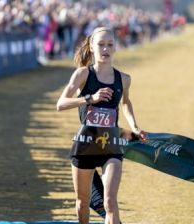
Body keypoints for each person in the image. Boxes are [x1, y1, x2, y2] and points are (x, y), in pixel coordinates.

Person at [56, 26, 146, 224]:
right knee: (82, 203)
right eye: (101, 45)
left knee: (110, 202)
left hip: (110, 144)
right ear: (91, 46)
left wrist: (135, 126)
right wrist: (89, 98)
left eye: (110, 45)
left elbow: (125, 103)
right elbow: (60, 104)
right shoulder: (83, 75)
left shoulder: (124, 79)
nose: (105, 49)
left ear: (115, 48)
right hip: (85, 144)